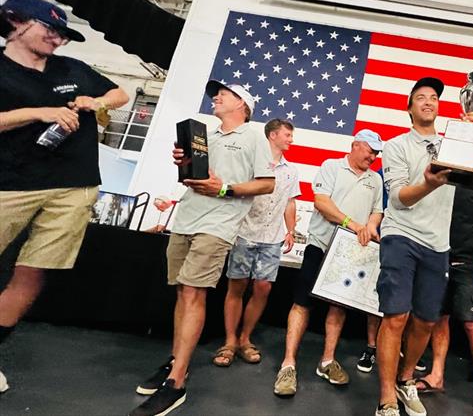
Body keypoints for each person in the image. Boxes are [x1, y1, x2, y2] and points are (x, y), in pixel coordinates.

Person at [0, 0, 129, 392]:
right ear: (15, 22)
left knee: (35, 270)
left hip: (74, 185)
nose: (56, 40)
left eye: (61, 35)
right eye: (48, 29)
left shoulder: (73, 68)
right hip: (10, 183)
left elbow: (120, 94)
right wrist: (41, 112)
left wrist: (98, 100)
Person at [129, 80, 275, 416]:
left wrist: (224, 189)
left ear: (243, 104)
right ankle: (178, 360)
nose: (217, 96)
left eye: (225, 93)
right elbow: (193, 179)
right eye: (215, 93)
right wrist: (182, 163)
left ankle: (176, 383)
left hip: (218, 224)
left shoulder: (254, 135)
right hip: (186, 219)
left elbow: (267, 183)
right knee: (183, 292)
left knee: (194, 293)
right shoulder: (206, 134)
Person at [273, 129, 384, 397]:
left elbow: (377, 211)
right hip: (321, 245)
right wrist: (352, 224)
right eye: (370, 150)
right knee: (302, 303)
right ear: (356, 145)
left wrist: (369, 227)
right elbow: (322, 202)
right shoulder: (331, 166)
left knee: (338, 306)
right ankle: (288, 364)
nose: (373, 156)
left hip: (350, 252)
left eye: (377, 152)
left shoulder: (375, 180)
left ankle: (327, 361)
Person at [374, 77, 456, 416]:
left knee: (425, 320)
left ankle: (406, 380)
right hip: (401, 235)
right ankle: (386, 398)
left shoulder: (452, 144)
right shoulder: (396, 146)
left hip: (438, 243)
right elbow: (398, 197)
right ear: (410, 109)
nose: (428, 101)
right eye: (420, 97)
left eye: (434, 97)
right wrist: (427, 184)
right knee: (396, 316)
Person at [212, 118, 300, 367]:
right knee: (237, 285)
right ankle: (229, 341)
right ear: (273, 135)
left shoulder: (291, 171)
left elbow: (290, 201)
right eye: (287, 135)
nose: (291, 140)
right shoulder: (251, 162)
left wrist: (290, 230)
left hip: (271, 239)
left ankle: (245, 338)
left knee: (263, 288)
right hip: (244, 233)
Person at [415, 179, 473, 416]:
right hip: (437, 257)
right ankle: (437, 375)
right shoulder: (439, 179)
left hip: (468, 263)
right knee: (439, 318)